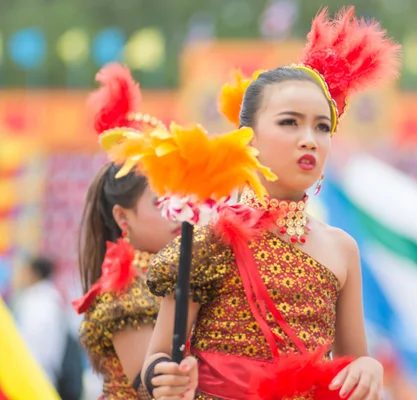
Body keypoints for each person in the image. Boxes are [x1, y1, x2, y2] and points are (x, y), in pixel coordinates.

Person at [142, 6, 401, 399]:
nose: (309, 138)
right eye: (289, 122)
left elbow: (349, 367)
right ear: (249, 137)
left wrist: (366, 367)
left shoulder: (342, 249)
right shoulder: (210, 237)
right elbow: (157, 359)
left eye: (322, 126)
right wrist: (163, 377)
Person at [72, 65, 182, 399]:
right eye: (160, 202)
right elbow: (154, 390)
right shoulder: (125, 290)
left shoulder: (173, 272)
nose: (176, 212)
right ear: (123, 216)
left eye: (179, 199)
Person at [12, 257, 66, 389]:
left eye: (26, 271)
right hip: (42, 372)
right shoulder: (50, 299)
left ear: (34, 273)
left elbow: (32, 341)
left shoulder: (37, 301)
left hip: (35, 373)